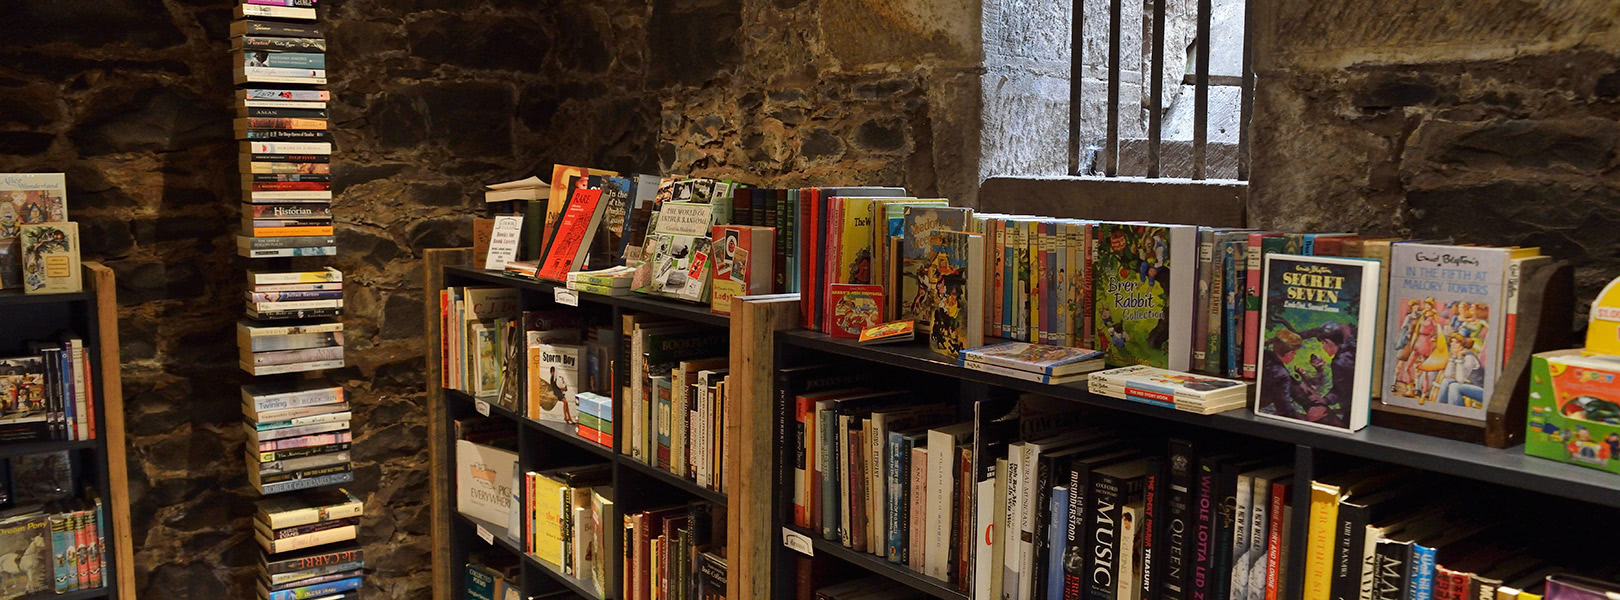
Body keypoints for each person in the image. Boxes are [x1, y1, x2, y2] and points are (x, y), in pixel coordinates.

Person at [1434, 334, 1486, 410]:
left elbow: (1460, 380)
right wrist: (1453, 357)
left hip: (1481, 389)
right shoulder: (1460, 355)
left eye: (1456, 342)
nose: (1452, 344)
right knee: (1446, 381)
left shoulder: (1469, 357)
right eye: (1451, 342)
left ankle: (1454, 411)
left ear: (1462, 345)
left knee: (1454, 386)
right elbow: (1447, 375)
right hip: (1471, 384)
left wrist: (1459, 358)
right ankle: (1439, 408)